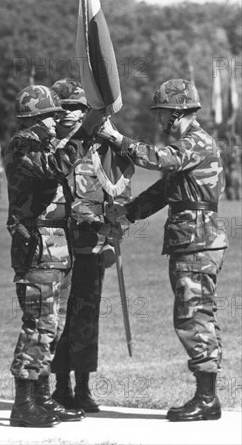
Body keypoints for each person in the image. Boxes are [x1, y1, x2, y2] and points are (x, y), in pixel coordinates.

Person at [96, 79, 228, 422]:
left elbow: (158, 160)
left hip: (196, 241)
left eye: (163, 113)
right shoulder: (190, 146)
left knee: (192, 315)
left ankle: (206, 398)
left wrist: (117, 139)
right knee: (197, 313)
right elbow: (161, 192)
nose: (159, 120)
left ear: (178, 111)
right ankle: (207, 395)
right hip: (194, 240)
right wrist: (128, 213)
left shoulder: (196, 143)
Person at [5, 85, 120, 428]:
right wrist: (85, 132)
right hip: (38, 245)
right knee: (38, 326)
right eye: (50, 117)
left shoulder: (43, 142)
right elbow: (56, 166)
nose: (56, 122)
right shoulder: (23, 144)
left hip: (58, 244)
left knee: (52, 327)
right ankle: (24, 402)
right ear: (35, 119)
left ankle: (43, 399)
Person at [50, 79, 129, 413]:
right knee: (55, 318)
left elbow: (119, 196)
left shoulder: (101, 148)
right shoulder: (50, 148)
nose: (73, 114)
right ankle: (59, 386)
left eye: (79, 108)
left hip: (90, 247)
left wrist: (113, 236)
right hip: (54, 249)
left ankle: (82, 386)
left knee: (85, 318)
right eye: (66, 107)